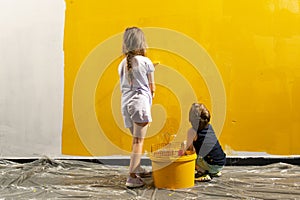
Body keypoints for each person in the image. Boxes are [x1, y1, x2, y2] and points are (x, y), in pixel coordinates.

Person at [118, 27, 155, 188]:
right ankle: (132, 177)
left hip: (126, 105)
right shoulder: (146, 62)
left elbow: (129, 81)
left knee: (135, 140)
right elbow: (152, 88)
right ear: (142, 43)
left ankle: (137, 167)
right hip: (139, 104)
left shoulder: (121, 64)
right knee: (138, 142)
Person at [186, 103, 226, 182]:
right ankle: (214, 172)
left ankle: (203, 172)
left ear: (190, 119)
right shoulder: (209, 127)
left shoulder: (192, 132)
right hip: (221, 162)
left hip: (211, 165)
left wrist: (180, 153)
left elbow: (189, 150)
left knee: (190, 159)